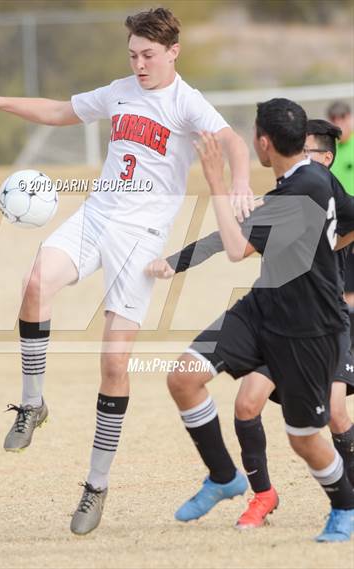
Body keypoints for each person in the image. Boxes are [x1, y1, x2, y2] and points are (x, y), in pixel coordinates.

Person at [0, 7, 253, 535]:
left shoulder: (187, 103)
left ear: (172, 52)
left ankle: (95, 486)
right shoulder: (120, 90)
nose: (139, 64)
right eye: (133, 54)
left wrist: (240, 184)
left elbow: (232, 141)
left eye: (148, 55)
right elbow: (58, 111)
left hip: (140, 243)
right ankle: (31, 403)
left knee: (114, 365)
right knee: (34, 283)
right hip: (95, 217)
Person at [152, 98, 354, 542]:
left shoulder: (296, 193)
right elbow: (349, 220)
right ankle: (225, 477)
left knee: (304, 438)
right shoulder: (319, 176)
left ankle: (345, 506)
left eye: (254, 136)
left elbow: (234, 247)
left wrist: (216, 181)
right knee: (184, 377)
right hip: (262, 308)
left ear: (264, 143)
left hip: (308, 327)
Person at [327, 101, 354, 342]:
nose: (339, 123)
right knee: (341, 293)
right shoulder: (328, 154)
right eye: (334, 118)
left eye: (343, 117)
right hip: (338, 232)